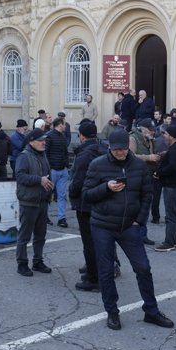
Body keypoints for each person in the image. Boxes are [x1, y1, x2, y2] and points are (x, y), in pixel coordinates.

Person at [83, 129, 174, 331]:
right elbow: (86, 195)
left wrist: (139, 220)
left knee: (143, 268)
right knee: (106, 272)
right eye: (117, 150)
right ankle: (112, 312)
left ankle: (151, 310)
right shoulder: (97, 165)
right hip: (103, 226)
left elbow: (147, 194)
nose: (121, 153)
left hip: (129, 226)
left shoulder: (138, 165)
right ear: (109, 148)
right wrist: (106, 187)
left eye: (124, 149)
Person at [68, 122, 106, 291]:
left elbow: (78, 181)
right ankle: (100, 272)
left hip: (86, 204)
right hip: (102, 200)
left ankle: (93, 279)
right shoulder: (104, 149)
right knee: (100, 240)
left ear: (82, 136)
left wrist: (71, 192)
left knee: (89, 243)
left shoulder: (84, 155)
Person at [14, 129, 54, 276]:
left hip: (42, 201)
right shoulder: (24, 156)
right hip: (29, 202)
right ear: (31, 141)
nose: (44, 142)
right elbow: (20, 176)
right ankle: (22, 263)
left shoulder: (42, 155)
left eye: (45, 140)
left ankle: (38, 261)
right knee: (24, 235)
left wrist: (50, 192)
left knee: (40, 235)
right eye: (41, 140)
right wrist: (39, 180)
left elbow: (47, 176)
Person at [154, 125, 176, 251]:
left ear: (172, 136)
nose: (164, 136)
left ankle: (169, 243)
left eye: (166, 134)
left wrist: (159, 173)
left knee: (171, 215)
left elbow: (172, 166)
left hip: (172, 186)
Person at [45, 117, 70, 227]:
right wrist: (48, 169)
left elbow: (65, 152)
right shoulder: (49, 136)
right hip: (53, 171)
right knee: (47, 195)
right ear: (60, 125)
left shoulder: (63, 136)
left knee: (62, 195)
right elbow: (45, 154)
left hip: (62, 170)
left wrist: (66, 165)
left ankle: (62, 218)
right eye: (64, 124)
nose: (65, 126)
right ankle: (44, 217)